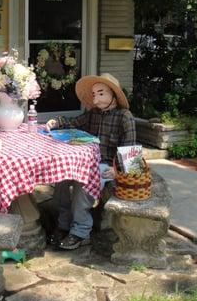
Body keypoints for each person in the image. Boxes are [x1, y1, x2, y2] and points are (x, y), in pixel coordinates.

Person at [45, 73, 136, 250]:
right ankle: (64, 224)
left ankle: (81, 232)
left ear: (113, 95)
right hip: (85, 161)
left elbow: (130, 150)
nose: (96, 97)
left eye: (101, 93)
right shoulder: (93, 113)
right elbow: (75, 122)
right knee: (61, 180)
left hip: (107, 165)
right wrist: (57, 122)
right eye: (94, 94)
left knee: (83, 187)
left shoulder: (125, 117)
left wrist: (118, 170)